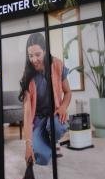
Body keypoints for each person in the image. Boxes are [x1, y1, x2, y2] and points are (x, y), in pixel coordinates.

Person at [20, 31, 71, 165]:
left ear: (45, 51)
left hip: (54, 115)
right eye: (30, 56)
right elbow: (27, 113)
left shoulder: (57, 65)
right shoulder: (27, 77)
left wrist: (63, 107)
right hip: (37, 119)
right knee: (41, 160)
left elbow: (67, 92)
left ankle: (51, 141)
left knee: (57, 127)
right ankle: (47, 145)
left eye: (38, 55)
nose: (34, 60)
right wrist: (28, 145)